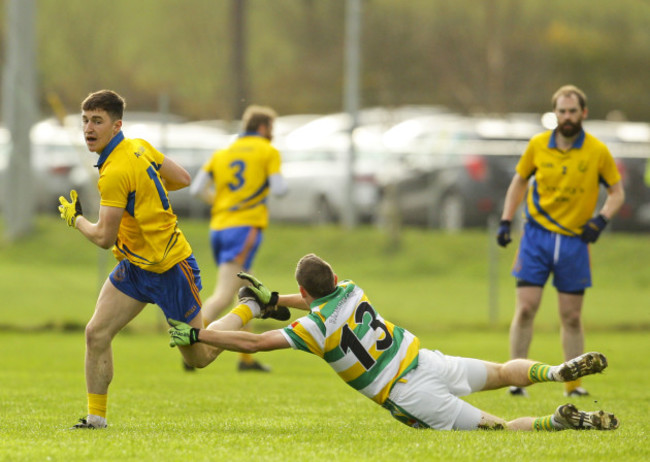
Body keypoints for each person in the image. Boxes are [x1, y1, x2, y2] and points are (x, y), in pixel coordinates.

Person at [167, 253, 619, 431]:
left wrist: (198, 333)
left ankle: (555, 423)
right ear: (336, 281)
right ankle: (556, 372)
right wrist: (275, 298)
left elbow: (255, 345)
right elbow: (315, 300)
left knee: (496, 431)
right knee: (503, 371)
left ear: (304, 294)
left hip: (407, 392)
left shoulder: (314, 329)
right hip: (426, 360)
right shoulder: (352, 290)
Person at [57, 90, 248, 429]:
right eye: (85, 120)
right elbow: (182, 179)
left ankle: (250, 308)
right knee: (96, 334)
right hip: (135, 267)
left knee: (199, 357)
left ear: (116, 126)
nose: (88, 128)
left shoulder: (115, 171)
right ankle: (95, 419)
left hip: (171, 269)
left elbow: (103, 238)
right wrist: (146, 191)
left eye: (97, 121)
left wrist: (76, 219)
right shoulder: (140, 146)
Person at [496, 85, 625, 398]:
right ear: (555, 113)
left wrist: (601, 220)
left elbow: (617, 193)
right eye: (562, 111)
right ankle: (516, 380)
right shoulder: (538, 145)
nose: (567, 117)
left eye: (572, 111)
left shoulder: (597, 151)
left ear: (583, 113)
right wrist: (505, 219)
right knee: (526, 308)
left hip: (574, 242)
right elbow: (519, 182)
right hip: (536, 238)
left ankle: (573, 385)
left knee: (571, 316)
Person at [188, 104, 287, 372]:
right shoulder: (268, 151)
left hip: (219, 226)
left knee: (248, 292)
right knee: (223, 293)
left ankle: (246, 359)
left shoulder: (223, 152)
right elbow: (279, 189)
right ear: (264, 128)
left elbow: (197, 188)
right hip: (244, 228)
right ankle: (190, 341)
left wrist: (222, 203)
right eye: (272, 130)